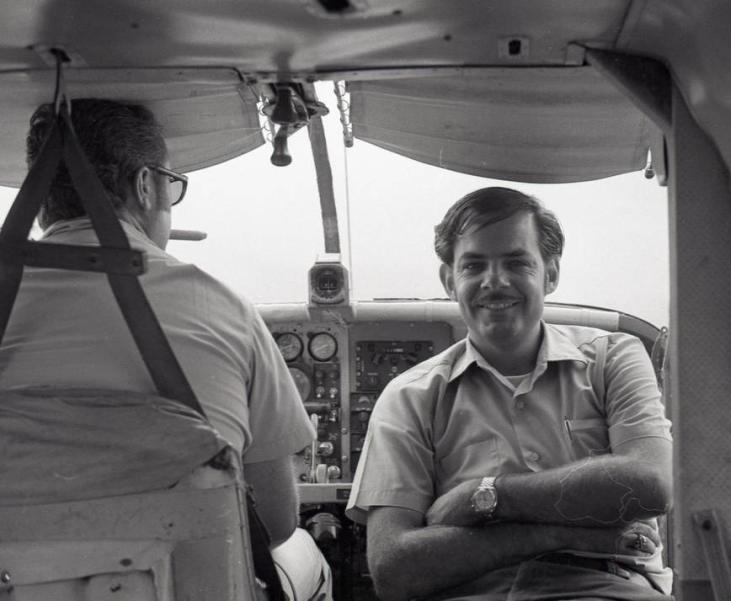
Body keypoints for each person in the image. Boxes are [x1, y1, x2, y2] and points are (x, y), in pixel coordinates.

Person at [0, 99, 328, 600]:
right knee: (304, 549)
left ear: (43, 196)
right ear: (146, 185)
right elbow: (276, 519)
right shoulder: (222, 308)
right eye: (172, 186)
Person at [346, 187, 674, 600]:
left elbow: (650, 485)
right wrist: (557, 532)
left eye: (516, 262)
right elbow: (394, 570)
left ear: (550, 274)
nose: (494, 282)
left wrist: (482, 496)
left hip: (605, 586)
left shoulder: (613, 358)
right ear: (450, 281)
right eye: (473, 266)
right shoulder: (409, 396)